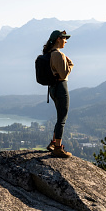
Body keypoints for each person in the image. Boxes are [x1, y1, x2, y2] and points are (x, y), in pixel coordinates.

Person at [42, 30, 74, 158]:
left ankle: (53, 143)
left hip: (52, 88)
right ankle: (58, 148)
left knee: (59, 116)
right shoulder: (58, 55)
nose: (66, 41)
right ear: (58, 39)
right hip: (61, 87)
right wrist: (70, 64)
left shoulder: (50, 54)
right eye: (64, 39)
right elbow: (64, 73)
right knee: (62, 118)